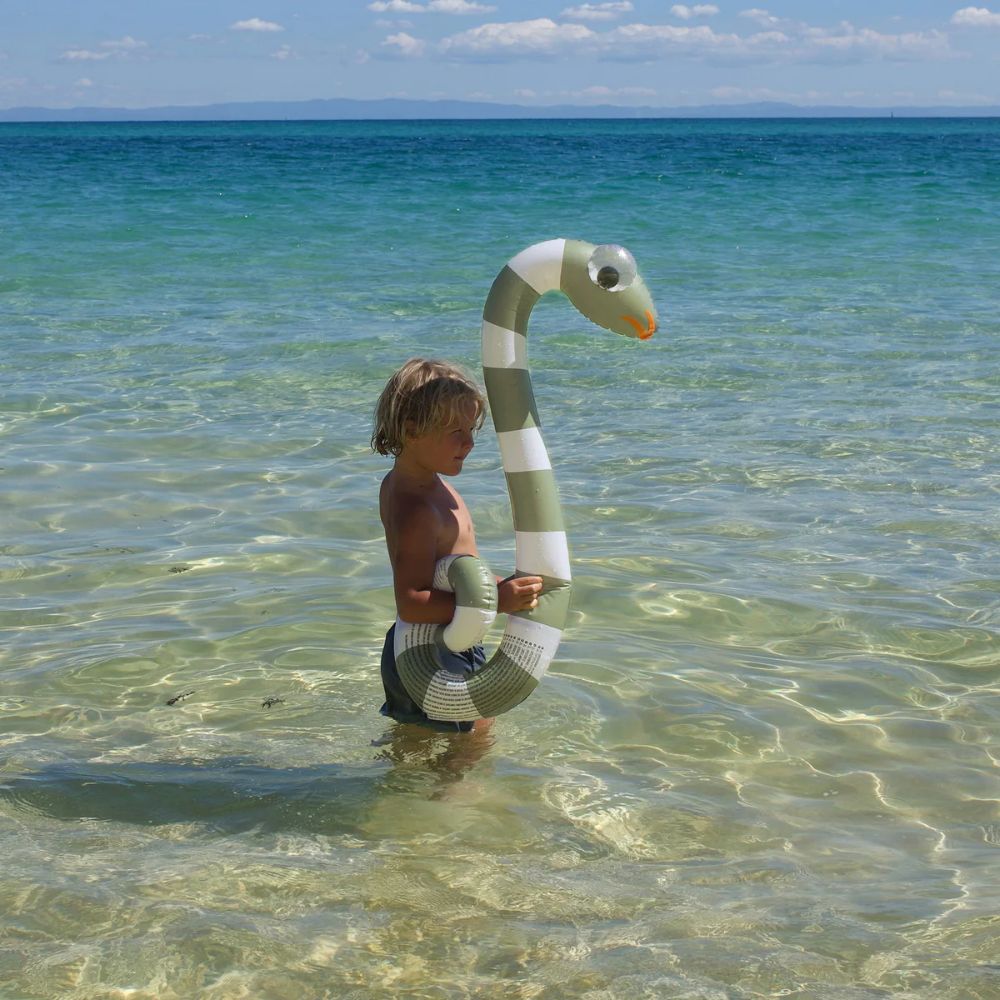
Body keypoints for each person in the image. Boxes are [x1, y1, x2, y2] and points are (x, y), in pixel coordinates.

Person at [371, 357, 543, 734]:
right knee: (474, 741)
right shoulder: (419, 509)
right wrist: (498, 602)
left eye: (470, 429)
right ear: (412, 430)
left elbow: (453, 570)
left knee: (414, 741)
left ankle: (397, 777)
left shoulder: (416, 486)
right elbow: (412, 601)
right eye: (455, 431)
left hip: (418, 643)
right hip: (435, 649)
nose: (469, 442)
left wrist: (500, 587)